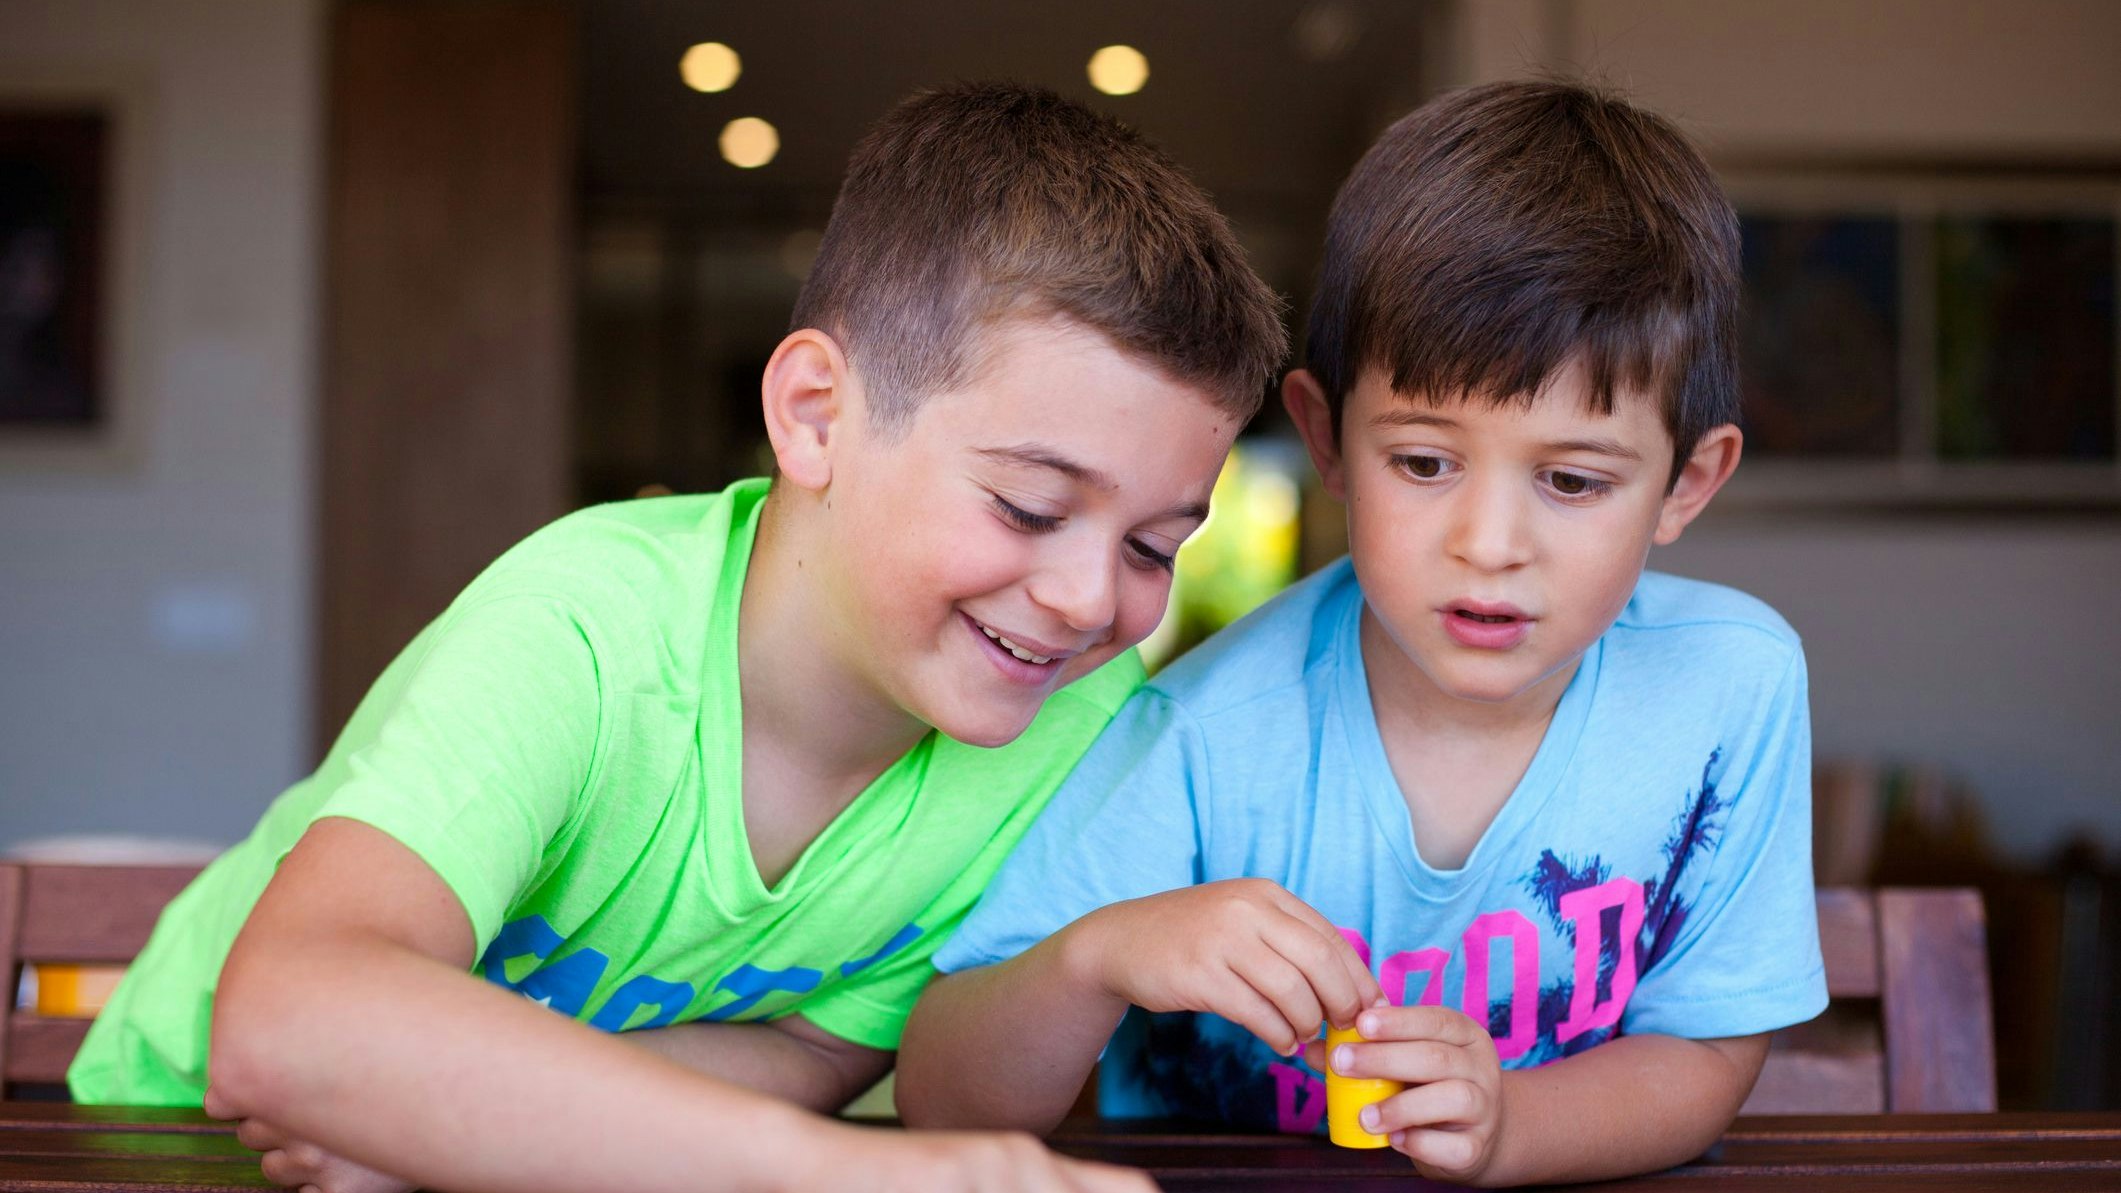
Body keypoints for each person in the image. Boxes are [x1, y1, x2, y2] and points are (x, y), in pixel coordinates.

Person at [69, 82, 1285, 1193]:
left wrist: (455, 1119)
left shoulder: (1067, 725)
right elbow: (288, 1025)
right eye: (1030, 506)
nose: (1089, 600)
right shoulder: (584, 628)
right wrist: (834, 1173)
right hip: (171, 1141)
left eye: (1153, 545)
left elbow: (811, 1049)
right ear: (817, 417)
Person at [897, 79, 1827, 1188]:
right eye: (1424, 462)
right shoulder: (1202, 731)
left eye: (1573, 479)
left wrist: (1512, 1126)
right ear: (1324, 440)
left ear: (1687, 481)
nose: (1489, 543)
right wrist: (1103, 953)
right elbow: (947, 1096)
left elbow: (1707, 1051)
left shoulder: (1725, 691)